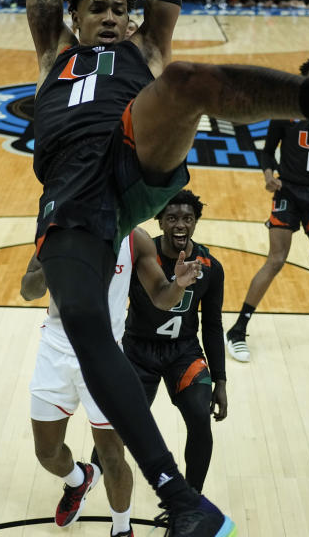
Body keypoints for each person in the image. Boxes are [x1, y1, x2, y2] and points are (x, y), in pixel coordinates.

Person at [25, 0, 309, 534]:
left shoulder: (144, 47)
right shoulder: (52, 53)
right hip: (72, 196)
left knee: (183, 78)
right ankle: (182, 501)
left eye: (116, 7)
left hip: (132, 152)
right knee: (83, 323)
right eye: (94, 7)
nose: (107, 15)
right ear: (73, 17)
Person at [22, 229, 202, 536]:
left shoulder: (135, 240)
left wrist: (178, 286)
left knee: (112, 456)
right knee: (47, 453)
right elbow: (28, 290)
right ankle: (79, 480)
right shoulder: (58, 230)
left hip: (105, 354)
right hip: (55, 350)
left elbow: (161, 296)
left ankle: (122, 530)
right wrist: (53, 265)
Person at [226, 58, 309, 363]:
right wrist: (268, 172)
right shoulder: (285, 113)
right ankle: (238, 329)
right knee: (275, 260)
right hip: (287, 194)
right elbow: (268, 149)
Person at [123, 190, 226, 493]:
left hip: (183, 352)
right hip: (138, 350)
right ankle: (86, 480)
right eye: (172, 218)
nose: (180, 225)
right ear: (159, 221)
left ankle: (191, 503)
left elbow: (213, 325)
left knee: (199, 420)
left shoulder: (210, 266)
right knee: (118, 426)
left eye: (187, 218)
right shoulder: (142, 256)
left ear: (196, 222)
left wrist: (219, 379)